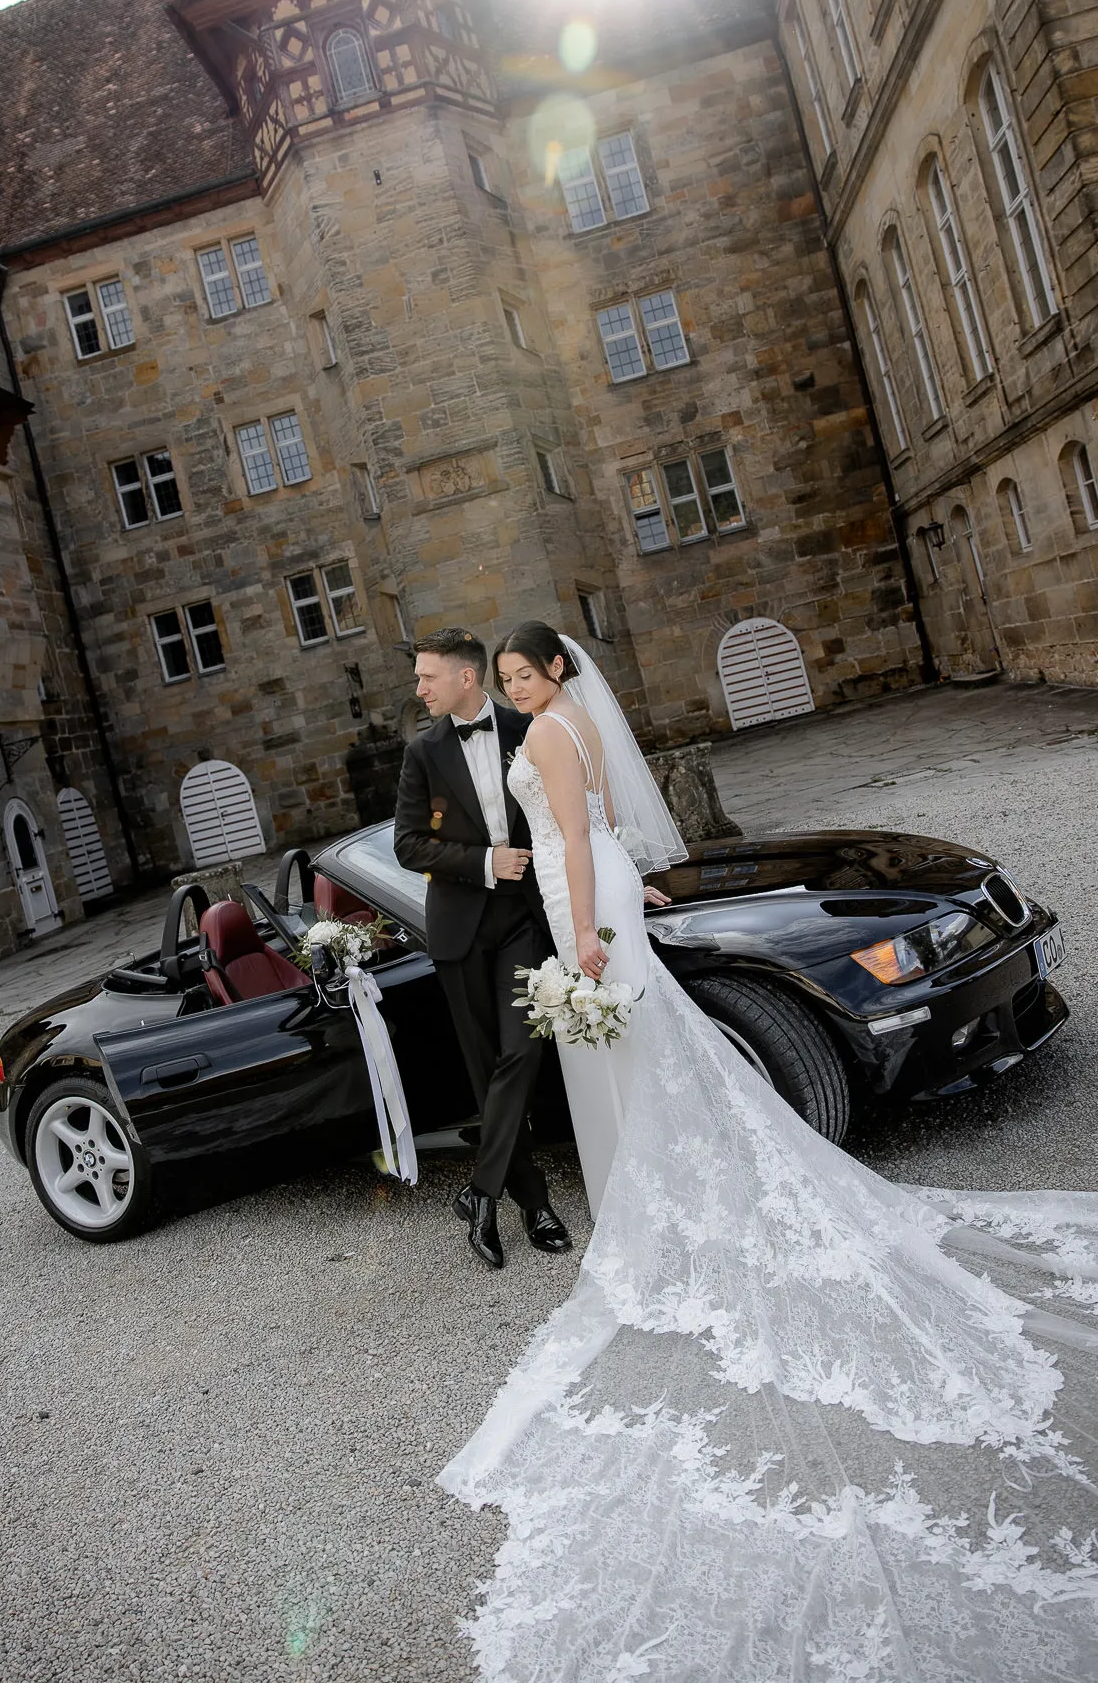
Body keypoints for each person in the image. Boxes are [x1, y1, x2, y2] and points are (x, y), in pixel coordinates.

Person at [439, 618, 1098, 1681]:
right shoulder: (575, 723)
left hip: (581, 898)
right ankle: (659, 1186)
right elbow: (598, 825)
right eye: (505, 679)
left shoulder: (550, 734)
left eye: (523, 673)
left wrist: (587, 935)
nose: (514, 690)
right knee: (649, 1048)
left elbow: (567, 836)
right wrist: (621, 889)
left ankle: (650, 1204)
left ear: (555, 670)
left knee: (629, 1049)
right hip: (601, 878)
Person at [393, 626, 571, 1269]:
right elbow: (408, 845)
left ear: (465, 677)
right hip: (460, 930)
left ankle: (480, 1194)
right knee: (487, 1069)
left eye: (427, 677)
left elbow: (575, 814)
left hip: (525, 920)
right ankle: (534, 1206)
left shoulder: (529, 727)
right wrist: (484, 862)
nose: (419, 688)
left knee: (521, 1055)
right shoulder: (423, 751)